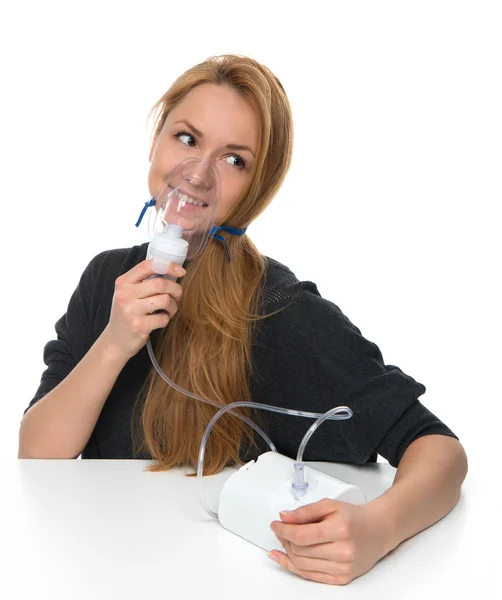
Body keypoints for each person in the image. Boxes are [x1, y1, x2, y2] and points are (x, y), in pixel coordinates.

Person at [18, 54, 468, 586]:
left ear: (259, 187)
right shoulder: (105, 281)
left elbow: (439, 449)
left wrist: (378, 528)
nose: (198, 175)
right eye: (186, 139)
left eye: (234, 160)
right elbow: (37, 453)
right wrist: (115, 343)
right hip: (96, 576)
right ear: (156, 141)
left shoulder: (277, 310)